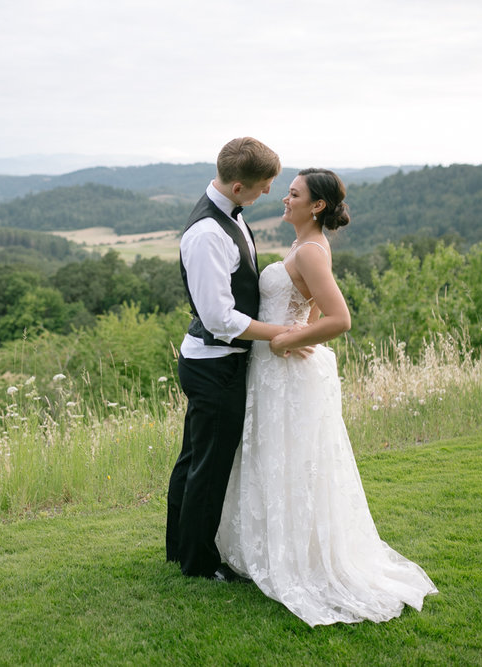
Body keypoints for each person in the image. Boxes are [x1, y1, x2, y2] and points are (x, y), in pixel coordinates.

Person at [215, 168, 438, 625]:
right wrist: (300, 326)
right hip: (276, 370)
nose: (284, 199)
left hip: (284, 368)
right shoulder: (304, 247)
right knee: (278, 458)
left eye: (293, 194)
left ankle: (301, 561)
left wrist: (286, 340)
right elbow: (308, 305)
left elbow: (340, 318)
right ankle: (272, 547)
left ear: (316, 206)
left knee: (292, 460)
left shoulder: (312, 251)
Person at [167, 137, 309, 581]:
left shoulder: (229, 216)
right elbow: (219, 318)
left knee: (195, 458)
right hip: (214, 364)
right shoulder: (208, 233)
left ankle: (180, 548)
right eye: (264, 185)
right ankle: (199, 564)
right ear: (236, 186)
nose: (270, 193)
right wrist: (283, 333)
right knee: (209, 465)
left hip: (216, 360)